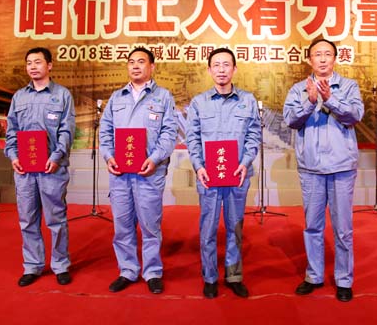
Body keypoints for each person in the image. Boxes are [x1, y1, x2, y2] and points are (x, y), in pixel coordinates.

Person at [283, 38, 364, 302]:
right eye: (317, 54)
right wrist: (310, 101)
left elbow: (355, 116)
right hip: (311, 168)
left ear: (335, 58)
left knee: (343, 228)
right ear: (309, 59)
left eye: (327, 54)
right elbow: (290, 120)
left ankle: (344, 280)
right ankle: (314, 275)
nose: (322, 58)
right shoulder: (298, 89)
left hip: (341, 167)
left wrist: (330, 99)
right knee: (313, 226)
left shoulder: (349, 86)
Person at [99, 47, 178, 295]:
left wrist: (154, 159)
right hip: (120, 175)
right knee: (122, 225)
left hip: (149, 174)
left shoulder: (163, 97)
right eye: (131, 62)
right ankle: (127, 270)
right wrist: (109, 156)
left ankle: (152, 272)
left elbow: (169, 133)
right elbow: (105, 131)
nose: (135, 66)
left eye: (141, 61)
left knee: (150, 226)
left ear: (151, 67)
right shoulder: (116, 98)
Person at [185, 47, 261, 299]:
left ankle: (233, 275)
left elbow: (254, 135)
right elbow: (192, 138)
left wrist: (246, 162)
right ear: (209, 70)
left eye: (226, 64)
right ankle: (209, 277)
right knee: (207, 228)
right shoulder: (199, 102)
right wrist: (199, 166)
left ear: (234, 69)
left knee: (235, 226)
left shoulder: (247, 100)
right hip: (209, 176)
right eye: (216, 65)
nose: (221, 70)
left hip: (237, 175)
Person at [4, 46, 76, 287]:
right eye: (29, 63)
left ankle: (61, 264)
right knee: (27, 219)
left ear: (49, 65)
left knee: (56, 219)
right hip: (25, 170)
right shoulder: (19, 97)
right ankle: (32, 265)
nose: (33, 67)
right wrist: (13, 156)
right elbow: (12, 130)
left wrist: (56, 157)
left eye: (38, 62)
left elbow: (67, 130)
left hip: (51, 168)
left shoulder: (62, 95)